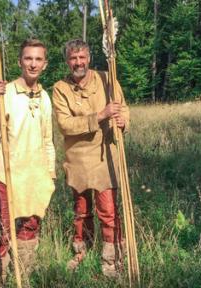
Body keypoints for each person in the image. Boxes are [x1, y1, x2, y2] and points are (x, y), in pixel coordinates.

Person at [0, 39, 55, 287]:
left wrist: (50, 174)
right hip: (7, 173)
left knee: (30, 225)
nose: (33, 64)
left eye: (38, 59)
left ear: (45, 64)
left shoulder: (44, 97)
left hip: (35, 174)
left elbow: (47, 140)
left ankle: (23, 273)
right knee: (1, 227)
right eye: (28, 58)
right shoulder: (6, 92)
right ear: (20, 61)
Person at [52, 39, 129, 277]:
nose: (78, 62)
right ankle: (81, 251)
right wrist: (101, 115)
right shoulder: (60, 88)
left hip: (105, 156)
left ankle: (111, 257)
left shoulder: (107, 79)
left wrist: (122, 121)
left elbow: (123, 108)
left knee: (108, 210)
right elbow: (65, 125)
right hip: (77, 160)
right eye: (73, 58)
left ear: (89, 58)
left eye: (82, 57)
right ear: (68, 61)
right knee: (82, 210)